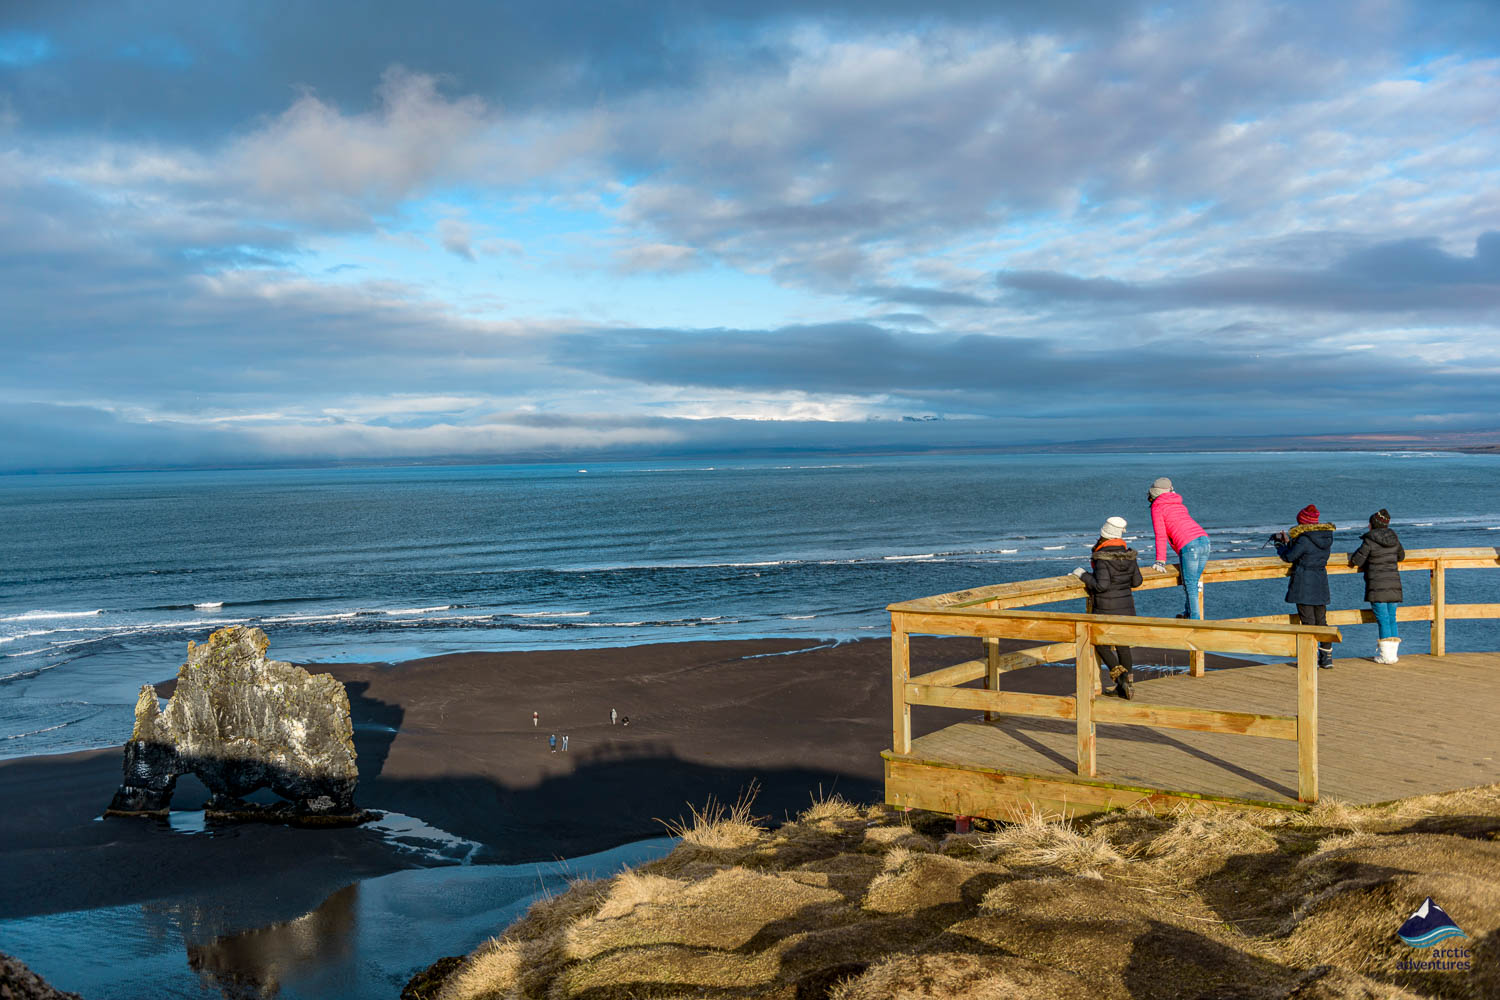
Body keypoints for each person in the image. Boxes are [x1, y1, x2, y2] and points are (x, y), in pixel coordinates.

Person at [1072, 515, 1142, 699]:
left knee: (1100, 643)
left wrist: (1083, 575)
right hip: (1126, 607)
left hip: (1105, 608)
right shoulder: (1129, 556)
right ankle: (1127, 685)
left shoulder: (1102, 558)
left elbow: (1101, 585)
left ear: (1104, 535)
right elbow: (1137, 581)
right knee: (1123, 645)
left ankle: (1121, 678)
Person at [1273, 504, 1337, 669]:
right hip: (1320, 581)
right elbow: (1307, 552)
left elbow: (1290, 557)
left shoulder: (1304, 539)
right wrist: (1290, 542)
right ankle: (1326, 658)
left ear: (1303, 522)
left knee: (1307, 621)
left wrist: (1280, 546)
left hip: (1304, 582)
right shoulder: (1325, 537)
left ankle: (1309, 658)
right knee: (1321, 620)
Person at [1147, 477, 1210, 619]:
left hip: (1190, 545)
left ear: (1154, 492)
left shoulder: (1157, 506)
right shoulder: (1179, 504)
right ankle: (1188, 613)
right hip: (1204, 541)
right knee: (1193, 582)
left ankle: (1194, 622)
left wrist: (1160, 561)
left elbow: (1160, 535)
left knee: (1190, 585)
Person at [1349, 508, 1404, 663]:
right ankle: (1392, 655)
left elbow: (1356, 560)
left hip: (1377, 585)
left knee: (1383, 620)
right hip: (1393, 584)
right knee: (1391, 618)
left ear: (1373, 524)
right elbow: (1401, 556)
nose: (1368, 526)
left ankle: (1386, 656)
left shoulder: (1370, 540)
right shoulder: (1394, 538)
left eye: (1369, 523)